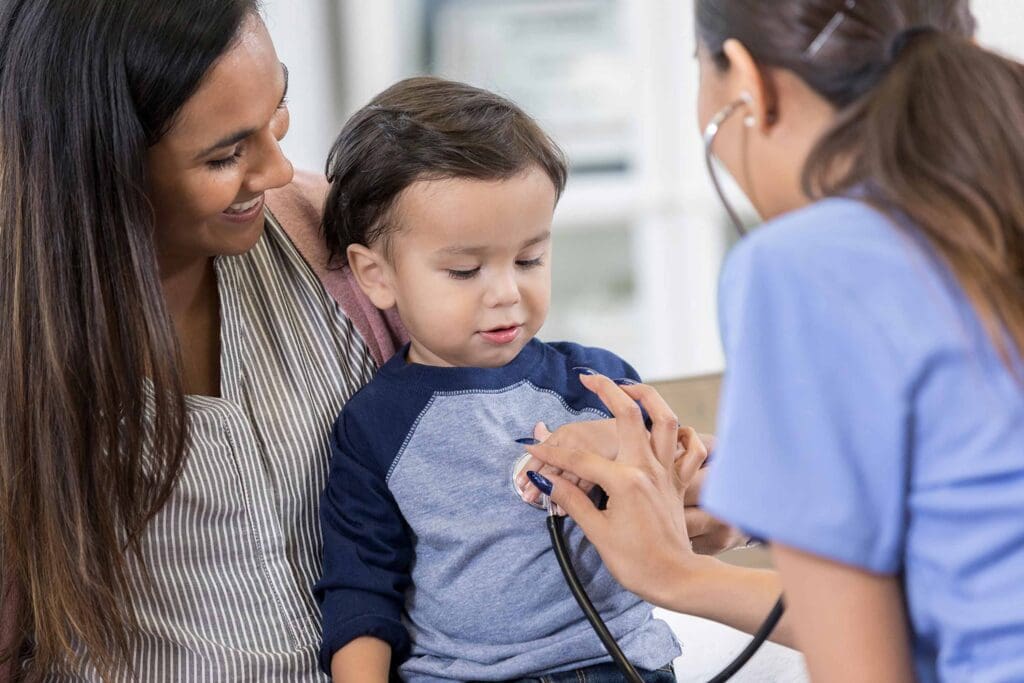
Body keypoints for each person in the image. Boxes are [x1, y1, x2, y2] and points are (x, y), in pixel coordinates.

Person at [526, 1, 1024, 681]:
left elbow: (866, 664)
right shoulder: (992, 214)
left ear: (745, 84)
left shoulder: (802, 263)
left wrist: (672, 572)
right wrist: (760, 487)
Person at [0, 2, 404, 680]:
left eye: (277, 110)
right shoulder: (24, 352)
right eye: (225, 154)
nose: (278, 170)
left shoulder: (336, 235)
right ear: (100, 168)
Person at [314, 76, 694, 683]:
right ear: (377, 276)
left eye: (529, 260)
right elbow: (360, 589)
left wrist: (651, 462)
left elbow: (688, 504)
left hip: (619, 665)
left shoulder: (599, 387)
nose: (506, 294)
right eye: (464, 270)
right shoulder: (375, 427)